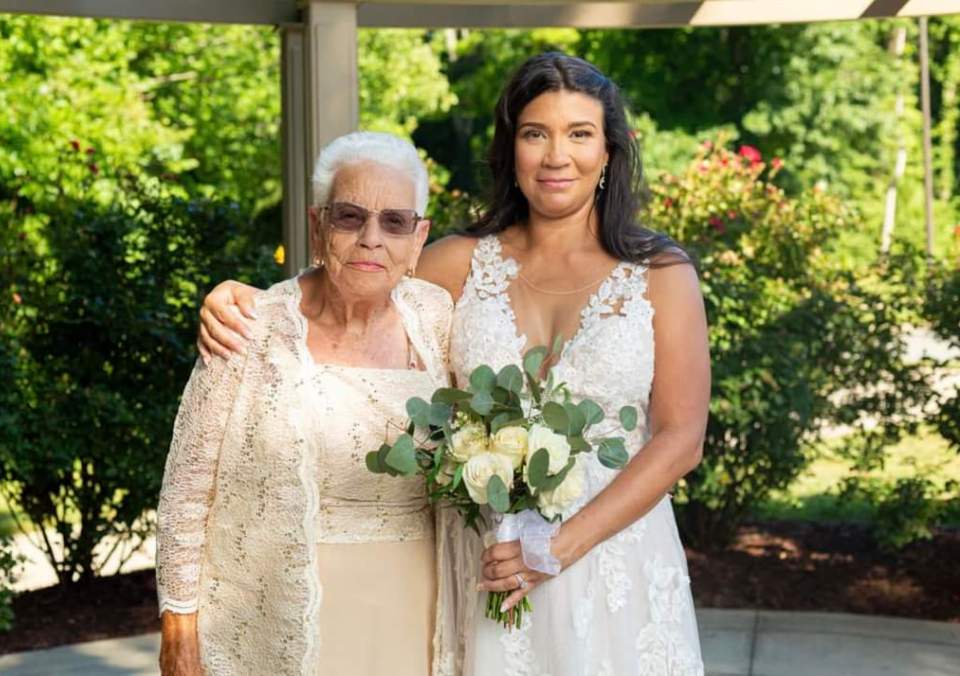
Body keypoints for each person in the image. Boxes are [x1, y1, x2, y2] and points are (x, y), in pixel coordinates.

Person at [198, 53, 709, 675]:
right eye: (535, 134)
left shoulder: (660, 273)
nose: (557, 156)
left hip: (614, 562)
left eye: (579, 134)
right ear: (510, 149)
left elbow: (681, 438)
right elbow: (356, 277)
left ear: (609, 151)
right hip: (487, 560)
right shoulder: (456, 262)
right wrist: (250, 299)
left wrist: (557, 546)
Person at [156, 131, 455, 676]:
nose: (371, 239)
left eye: (395, 222)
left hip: (415, 611)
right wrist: (178, 627)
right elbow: (187, 491)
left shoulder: (438, 320)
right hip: (278, 612)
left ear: (419, 238)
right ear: (318, 226)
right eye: (349, 217)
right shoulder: (248, 326)